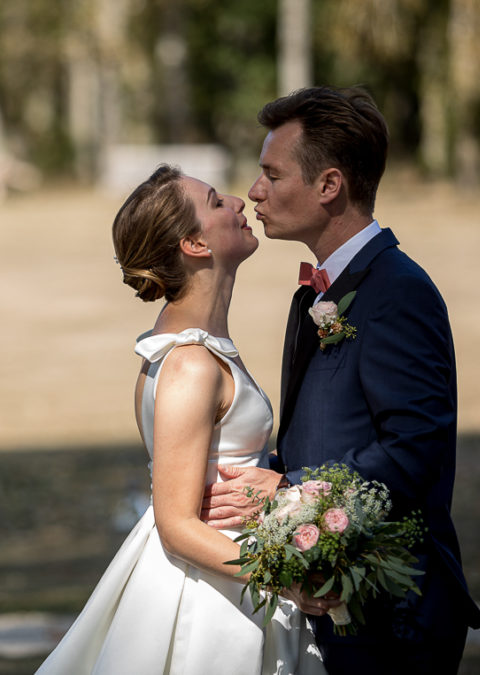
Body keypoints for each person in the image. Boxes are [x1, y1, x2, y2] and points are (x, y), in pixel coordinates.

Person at [203, 86, 480, 674]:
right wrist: (261, 471)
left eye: (272, 175)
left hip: (393, 609)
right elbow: (325, 434)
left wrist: (286, 491)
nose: (254, 191)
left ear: (329, 185)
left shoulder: (398, 292)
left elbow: (414, 447)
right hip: (336, 596)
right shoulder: (313, 295)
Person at [35, 165, 326, 674]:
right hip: (209, 598)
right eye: (216, 201)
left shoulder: (194, 348)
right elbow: (176, 526)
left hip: (230, 576)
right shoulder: (190, 365)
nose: (238, 202)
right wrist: (286, 580)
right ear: (194, 244)